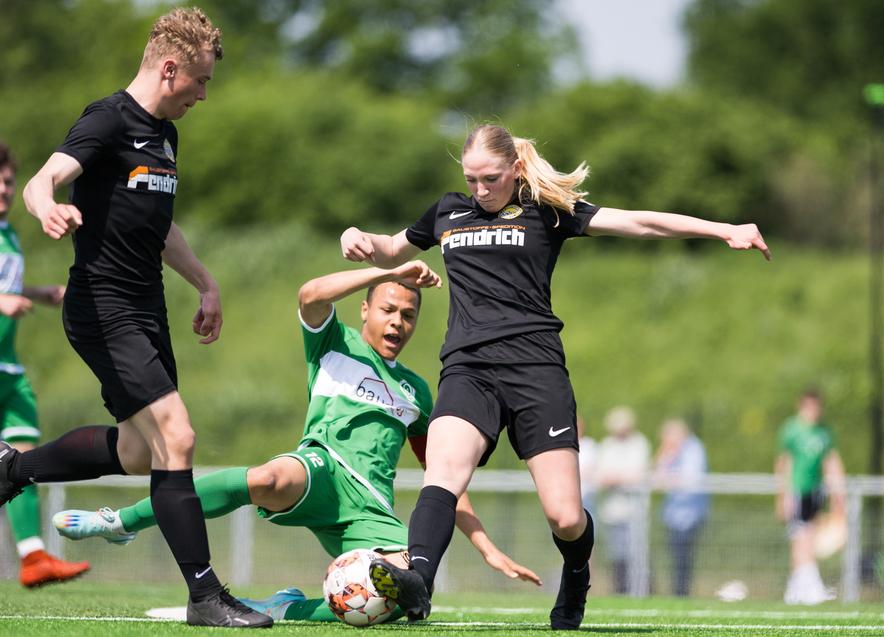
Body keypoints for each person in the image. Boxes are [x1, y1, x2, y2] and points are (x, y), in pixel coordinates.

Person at [338, 123, 771, 629]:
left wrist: (723, 229)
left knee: (565, 517)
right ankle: (419, 582)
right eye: (472, 179)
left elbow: (638, 224)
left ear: (515, 169)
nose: (481, 190)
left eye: (491, 179)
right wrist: (356, 236)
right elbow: (390, 250)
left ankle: (578, 573)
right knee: (444, 472)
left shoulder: (547, 211)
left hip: (535, 369)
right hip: (468, 367)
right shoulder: (446, 211)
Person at [52, 261, 541, 622]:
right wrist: (385, 267)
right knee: (268, 476)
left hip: (369, 509)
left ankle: (287, 608)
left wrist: (486, 547)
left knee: (402, 601)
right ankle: (121, 521)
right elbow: (310, 294)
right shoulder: (335, 343)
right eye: (388, 309)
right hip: (320, 468)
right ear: (366, 308)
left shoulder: (417, 391)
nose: (397, 322)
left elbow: (445, 476)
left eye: (409, 315)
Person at [0, 8, 271, 627]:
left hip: (145, 308)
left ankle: (13, 468)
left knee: (138, 451)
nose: (204, 95)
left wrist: (207, 282)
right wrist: (45, 209)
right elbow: (48, 178)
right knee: (177, 436)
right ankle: (206, 596)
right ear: (170, 68)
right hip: (102, 307)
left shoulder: (166, 136)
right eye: (200, 81)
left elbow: (158, 222)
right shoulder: (107, 118)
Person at [0, 141, 91, 587]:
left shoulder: (9, 233)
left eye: (9, 181)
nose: (5, 188)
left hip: (9, 371)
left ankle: (33, 556)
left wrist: (36, 293)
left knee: (19, 463)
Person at [775, 388, 846, 605]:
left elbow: (831, 461)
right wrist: (781, 495)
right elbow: (783, 462)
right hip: (797, 490)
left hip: (816, 490)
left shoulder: (824, 432)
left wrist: (838, 493)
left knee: (808, 537)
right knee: (800, 539)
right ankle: (811, 587)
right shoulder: (792, 429)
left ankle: (796, 589)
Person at [595, 406, 650, 594]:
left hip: (634, 511)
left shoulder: (639, 443)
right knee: (617, 555)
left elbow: (637, 475)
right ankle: (620, 590)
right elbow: (601, 475)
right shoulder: (607, 445)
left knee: (636, 555)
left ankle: (639, 590)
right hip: (613, 511)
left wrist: (617, 478)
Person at [652, 418, 709, 597]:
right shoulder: (672, 451)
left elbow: (691, 480)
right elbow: (657, 476)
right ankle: (678, 592)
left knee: (684, 557)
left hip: (690, 514)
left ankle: (682, 592)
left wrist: (669, 479)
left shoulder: (694, 449)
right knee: (676, 556)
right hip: (674, 515)